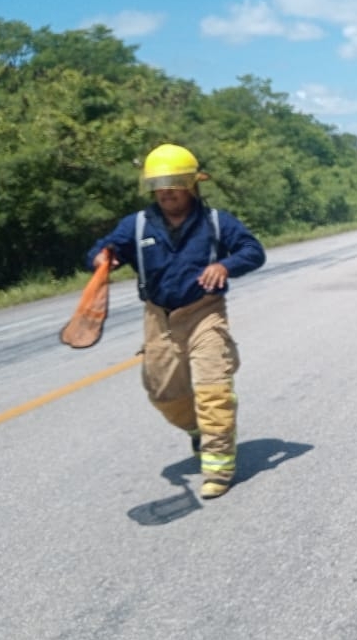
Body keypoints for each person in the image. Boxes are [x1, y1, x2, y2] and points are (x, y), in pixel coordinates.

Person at [86, 143, 266, 499]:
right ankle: (197, 429)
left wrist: (225, 265)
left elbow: (253, 251)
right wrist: (102, 258)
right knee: (163, 393)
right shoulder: (136, 225)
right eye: (158, 184)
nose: (166, 190)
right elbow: (103, 249)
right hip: (158, 317)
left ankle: (218, 467)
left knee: (213, 391)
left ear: (192, 183)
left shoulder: (217, 222)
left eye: (173, 182)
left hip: (204, 312)